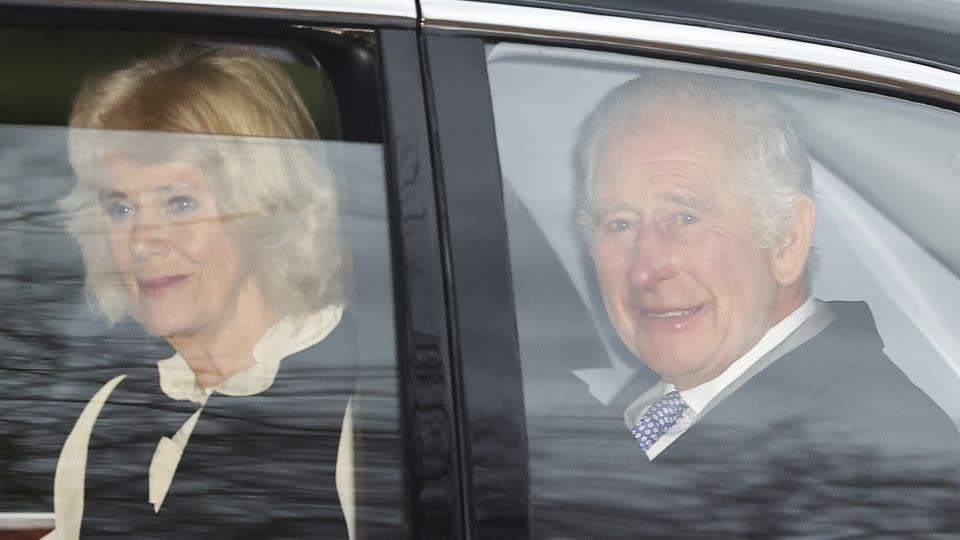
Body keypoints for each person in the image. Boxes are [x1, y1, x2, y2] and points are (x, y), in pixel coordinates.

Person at [532, 72, 960, 538]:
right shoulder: (659, 408)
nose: (644, 270)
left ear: (786, 240)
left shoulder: (876, 476)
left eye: (686, 217)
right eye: (620, 224)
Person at [46, 47, 355, 539]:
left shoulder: (360, 415)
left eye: (179, 202)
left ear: (263, 208)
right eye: (120, 208)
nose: (142, 241)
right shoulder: (110, 410)